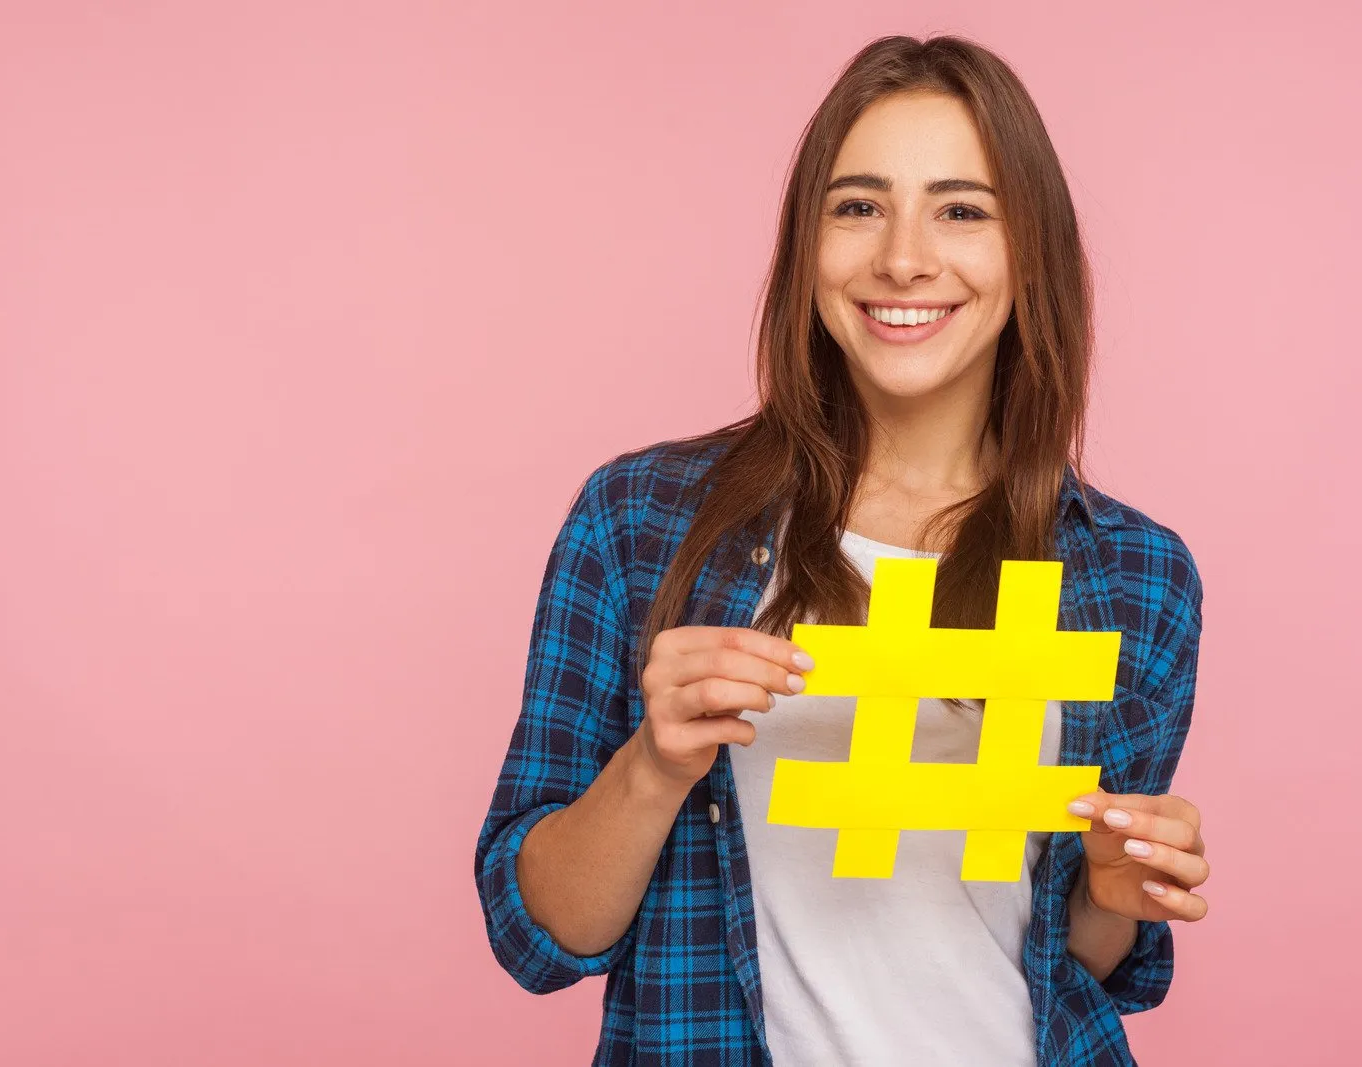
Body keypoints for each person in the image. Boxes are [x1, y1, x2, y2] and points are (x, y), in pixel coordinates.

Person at [475, 33, 1209, 1067]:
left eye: (962, 208)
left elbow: (1070, 957)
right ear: (804, 244)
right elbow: (538, 935)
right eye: (858, 205)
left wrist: (1114, 897)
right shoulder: (639, 520)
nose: (902, 257)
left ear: (1028, 252)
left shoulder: (1135, 573)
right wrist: (653, 764)